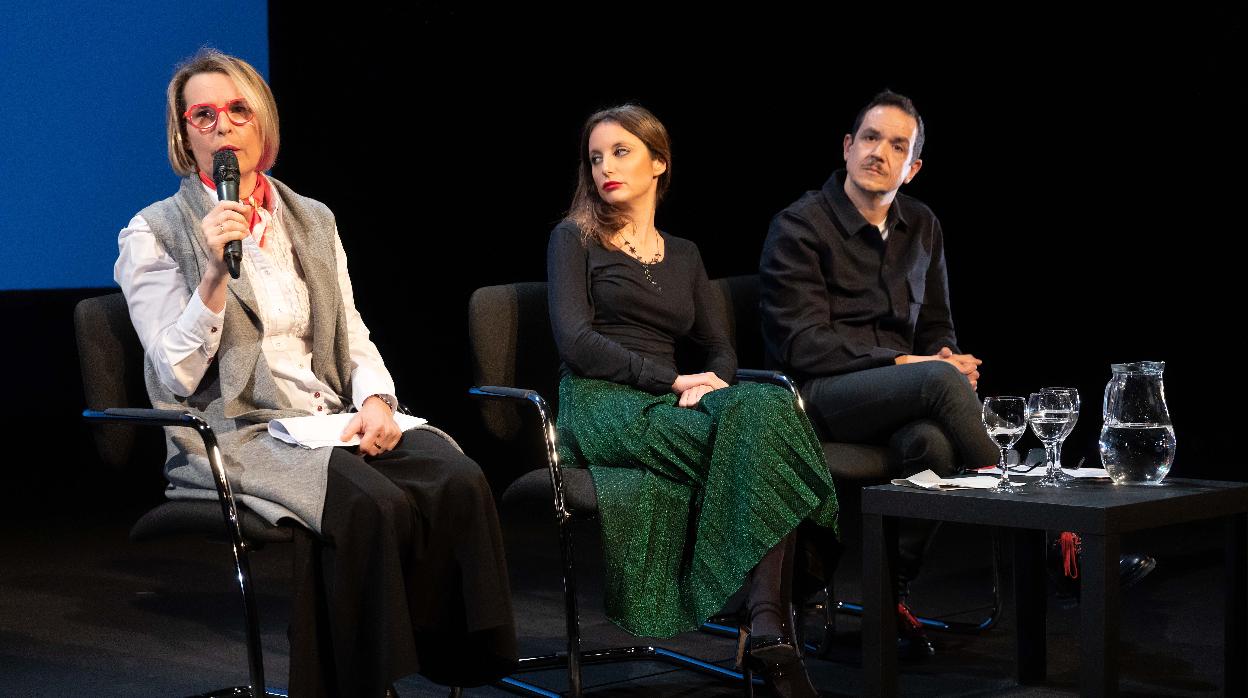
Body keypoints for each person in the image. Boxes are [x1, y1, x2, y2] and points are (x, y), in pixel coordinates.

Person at [114, 48, 515, 696]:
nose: (222, 125)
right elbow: (178, 375)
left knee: (456, 477)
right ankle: (357, 684)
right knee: (369, 503)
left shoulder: (312, 218)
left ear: (262, 125)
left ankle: (461, 669)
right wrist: (214, 274)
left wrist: (378, 400)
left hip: (323, 420)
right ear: (184, 137)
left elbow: (349, 332)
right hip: (233, 433)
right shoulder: (151, 233)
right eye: (203, 114)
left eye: (237, 110)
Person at [759, 89, 1154, 656]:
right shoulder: (799, 226)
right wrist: (917, 366)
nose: (879, 153)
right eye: (870, 138)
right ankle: (1055, 538)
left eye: (897, 145)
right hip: (814, 397)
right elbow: (801, 344)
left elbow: (937, 327)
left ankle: (887, 602)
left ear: (913, 167)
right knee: (937, 382)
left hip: (905, 399)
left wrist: (945, 357)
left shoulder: (922, 225)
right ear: (847, 148)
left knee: (931, 445)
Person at [547, 104, 838, 698]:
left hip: (672, 399)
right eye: (595, 156)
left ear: (659, 163)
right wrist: (673, 381)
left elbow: (718, 347)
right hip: (603, 403)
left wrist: (711, 383)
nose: (605, 166)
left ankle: (765, 625)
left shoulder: (685, 254)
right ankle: (774, 618)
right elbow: (576, 342)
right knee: (768, 434)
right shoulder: (573, 238)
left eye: (621, 152)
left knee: (761, 409)